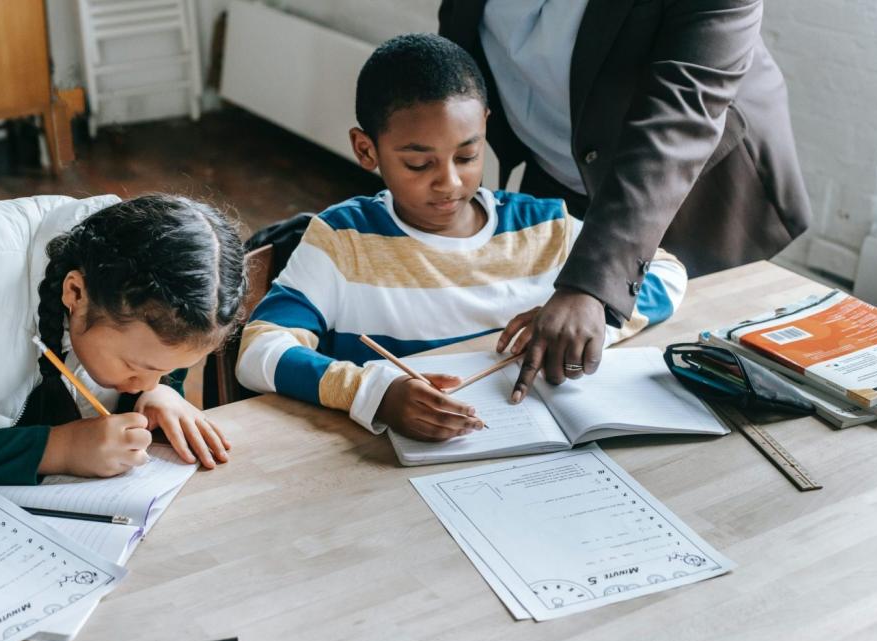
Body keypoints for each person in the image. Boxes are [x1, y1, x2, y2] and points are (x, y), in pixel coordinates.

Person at [235, 33, 688, 442]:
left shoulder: (542, 225)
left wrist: (588, 319)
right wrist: (373, 392)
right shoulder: (343, 240)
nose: (449, 182)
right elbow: (260, 349)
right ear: (366, 149)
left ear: (486, 126)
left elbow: (666, 272)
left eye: (468, 155)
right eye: (419, 164)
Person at [438, 0, 812, 399]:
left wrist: (592, 286)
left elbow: (680, 120)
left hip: (692, 193)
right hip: (554, 165)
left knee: (685, 383)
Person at [0, 194, 247, 491]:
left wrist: (158, 397)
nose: (150, 380)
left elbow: (151, 375)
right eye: (137, 368)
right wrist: (57, 450)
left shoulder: (156, 300)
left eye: (171, 370)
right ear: (75, 292)